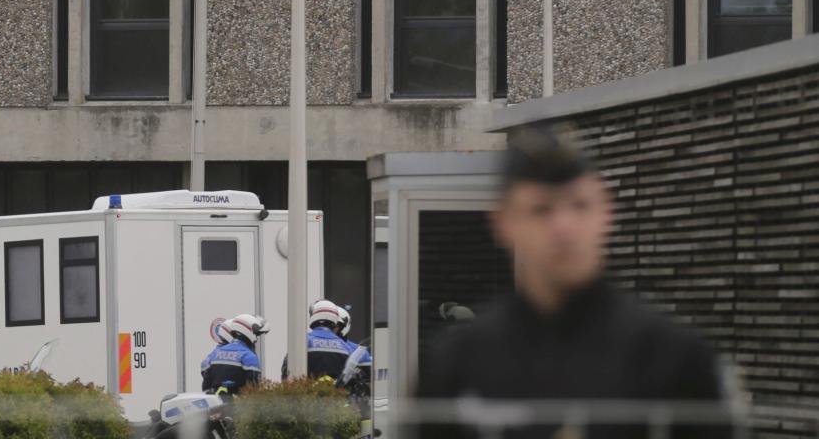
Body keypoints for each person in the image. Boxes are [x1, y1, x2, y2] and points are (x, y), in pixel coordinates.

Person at [413, 128, 729, 438]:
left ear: (606, 212)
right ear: (504, 223)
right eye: (542, 209)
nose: (563, 227)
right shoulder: (456, 363)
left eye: (579, 205)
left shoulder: (672, 359)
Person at [282, 299, 372, 395]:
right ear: (334, 321)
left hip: (307, 402)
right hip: (339, 405)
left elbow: (286, 373)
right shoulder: (349, 349)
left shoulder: (301, 342)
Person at [200, 313, 267, 395]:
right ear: (248, 331)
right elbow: (254, 391)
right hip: (239, 406)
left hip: (216, 405)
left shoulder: (215, 354)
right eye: (256, 335)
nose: (256, 339)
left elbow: (206, 388)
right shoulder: (249, 357)